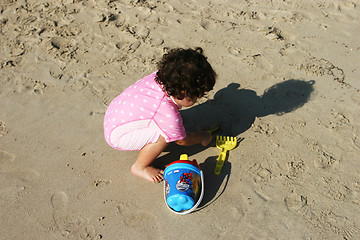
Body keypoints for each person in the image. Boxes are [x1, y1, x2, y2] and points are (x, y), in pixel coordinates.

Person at [104, 47, 217, 182]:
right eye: (196, 97)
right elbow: (182, 140)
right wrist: (203, 137)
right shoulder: (166, 112)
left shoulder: (162, 76)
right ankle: (140, 167)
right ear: (183, 94)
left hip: (114, 115)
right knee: (164, 136)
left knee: (165, 124)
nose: (197, 99)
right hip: (118, 135)